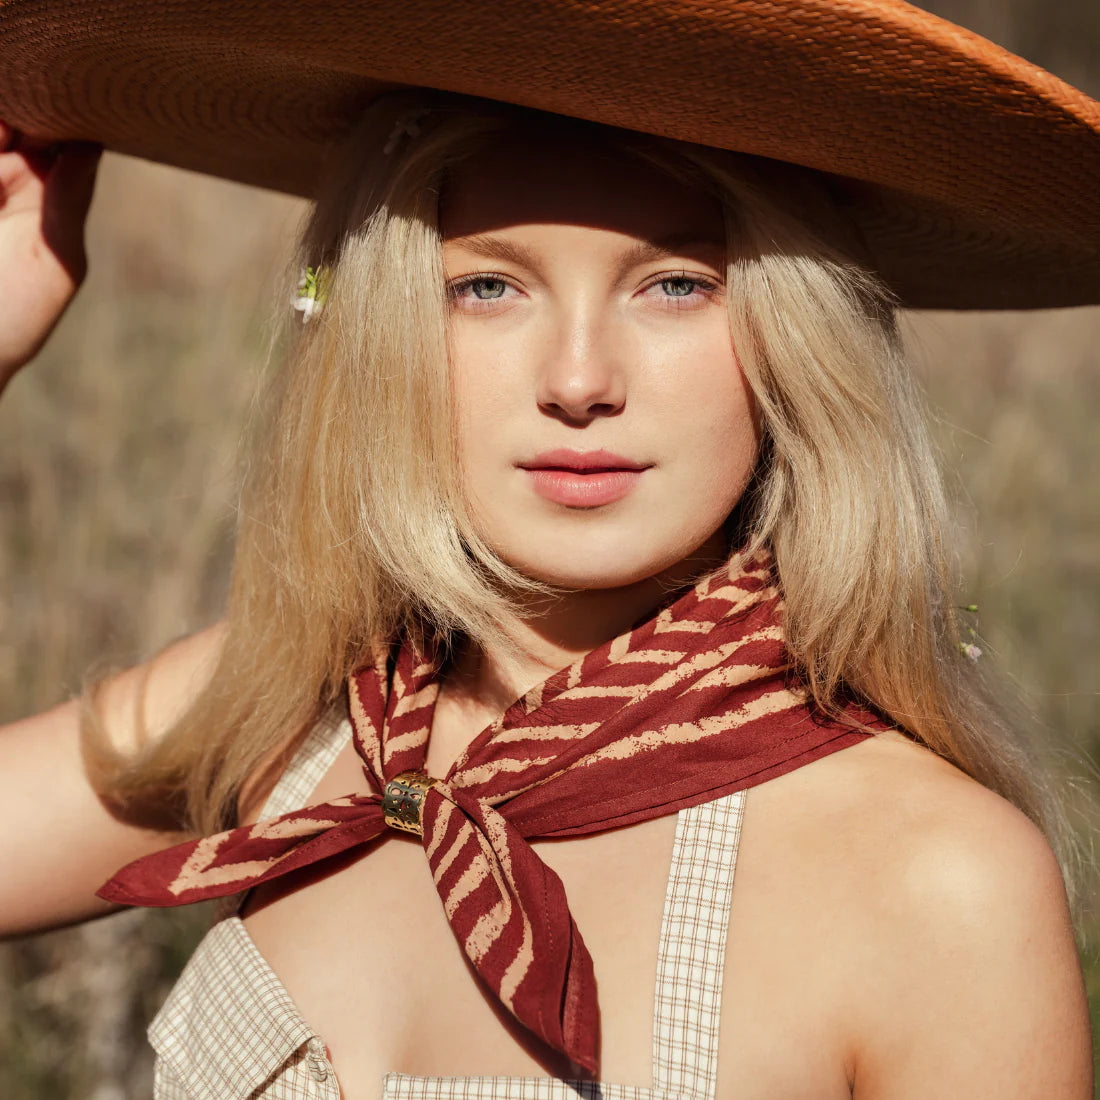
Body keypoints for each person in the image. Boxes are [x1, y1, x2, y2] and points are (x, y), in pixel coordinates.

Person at [0, 2, 1096, 1097]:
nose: (578, 381)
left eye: (677, 283)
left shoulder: (935, 880)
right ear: (380, 323)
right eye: (487, 286)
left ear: (799, 335)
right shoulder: (292, 706)